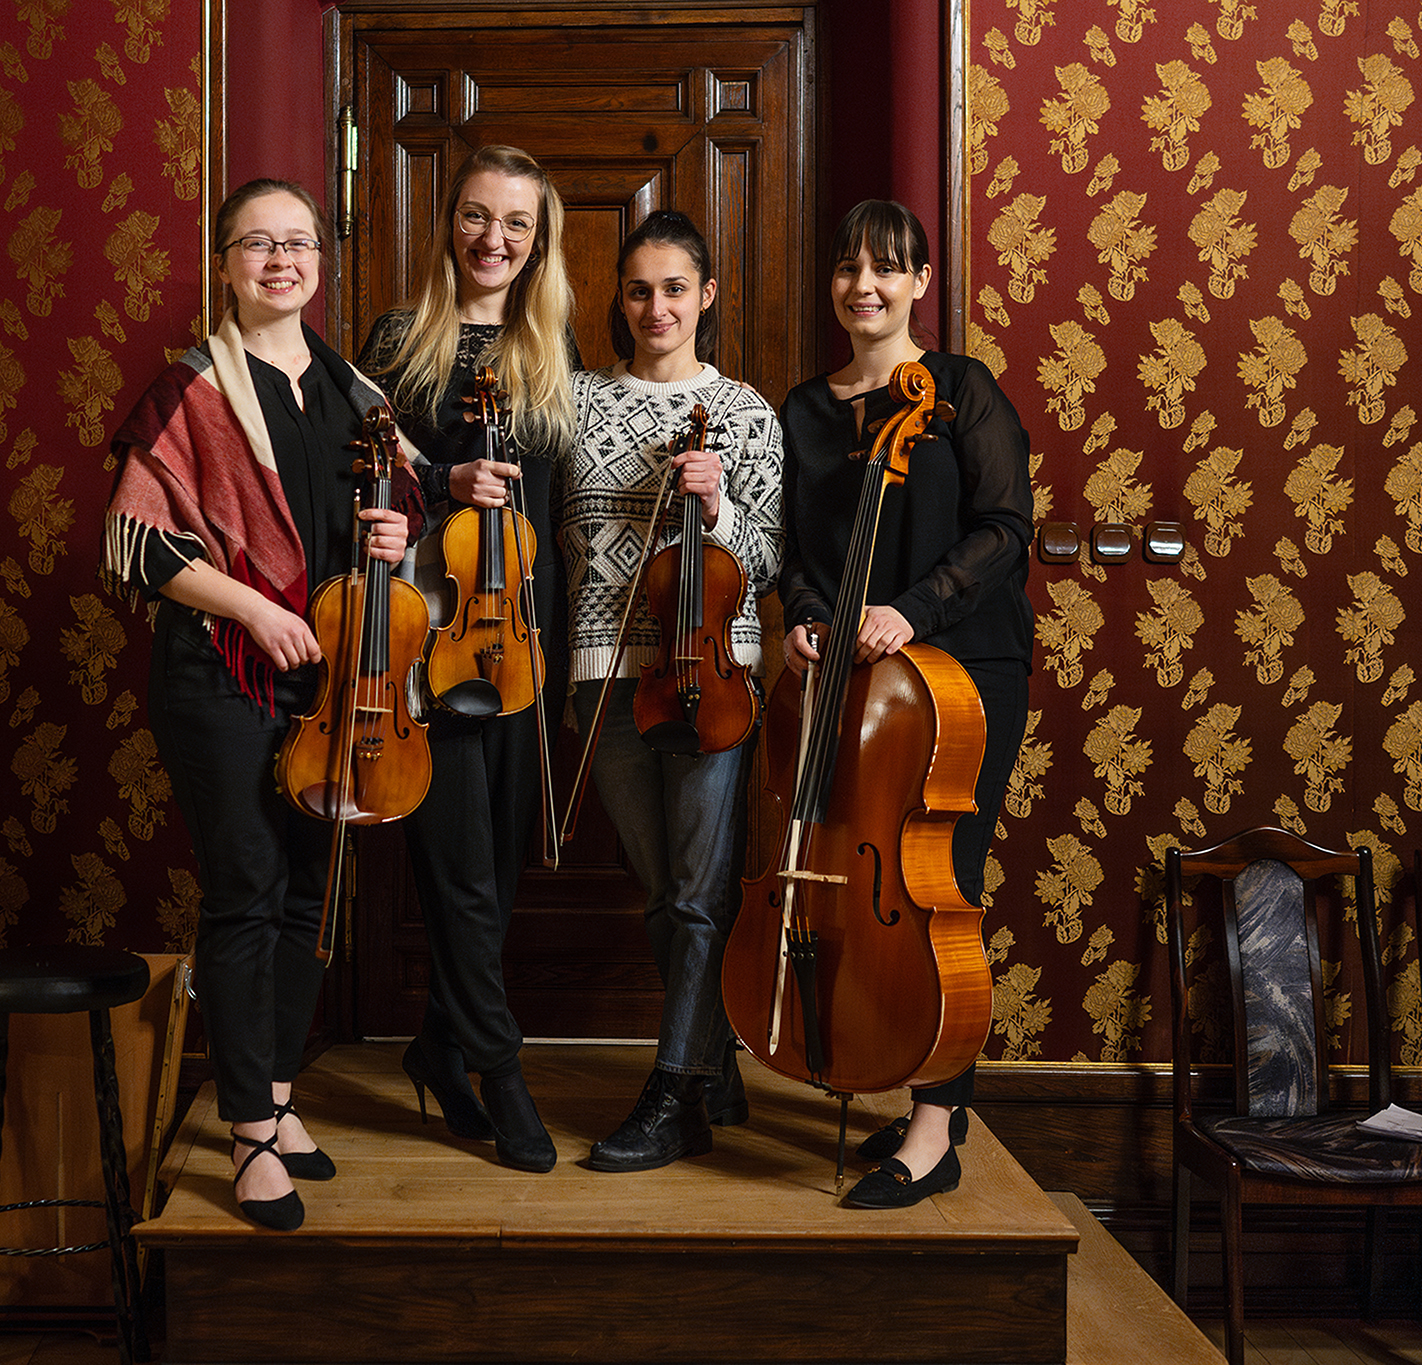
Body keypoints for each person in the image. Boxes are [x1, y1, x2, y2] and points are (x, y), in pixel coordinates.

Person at [104, 179, 422, 1231]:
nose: (279, 261)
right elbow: (136, 544)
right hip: (221, 673)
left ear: (319, 262)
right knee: (245, 891)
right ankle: (246, 1134)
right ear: (224, 265)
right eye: (256, 244)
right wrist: (250, 607)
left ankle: (277, 1102)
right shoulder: (190, 387)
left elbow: (400, 516)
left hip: (330, 680)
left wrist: (397, 534)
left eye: (296, 244)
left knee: (305, 894)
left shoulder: (357, 393)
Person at [777, 199, 1033, 1209]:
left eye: (886, 268)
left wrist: (914, 609)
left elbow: (1004, 526)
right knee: (868, 870)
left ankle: (934, 1129)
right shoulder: (806, 410)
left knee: (940, 882)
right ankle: (919, 1084)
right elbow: (799, 551)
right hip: (856, 673)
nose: (864, 287)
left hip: (962, 668)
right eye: (849, 268)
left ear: (920, 283)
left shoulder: (961, 389)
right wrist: (807, 616)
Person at [355, 144, 579, 1173]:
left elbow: (559, 514)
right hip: (430, 643)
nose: (495, 238)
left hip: (521, 643)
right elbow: (366, 479)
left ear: (539, 242)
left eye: (516, 223)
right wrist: (441, 478)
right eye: (478, 216)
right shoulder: (399, 341)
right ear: (450, 223)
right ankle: (501, 1070)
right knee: (458, 871)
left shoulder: (551, 349)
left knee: (499, 865)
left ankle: (439, 1047)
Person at [558, 209, 783, 1172]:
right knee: (663, 889)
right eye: (640, 290)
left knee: (697, 896)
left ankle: (672, 1093)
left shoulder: (747, 412)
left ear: (707, 295)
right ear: (620, 299)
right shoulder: (574, 401)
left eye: (676, 289)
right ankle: (714, 1061)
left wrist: (720, 503)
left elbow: (766, 559)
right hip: (602, 673)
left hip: (713, 675)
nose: (657, 308)